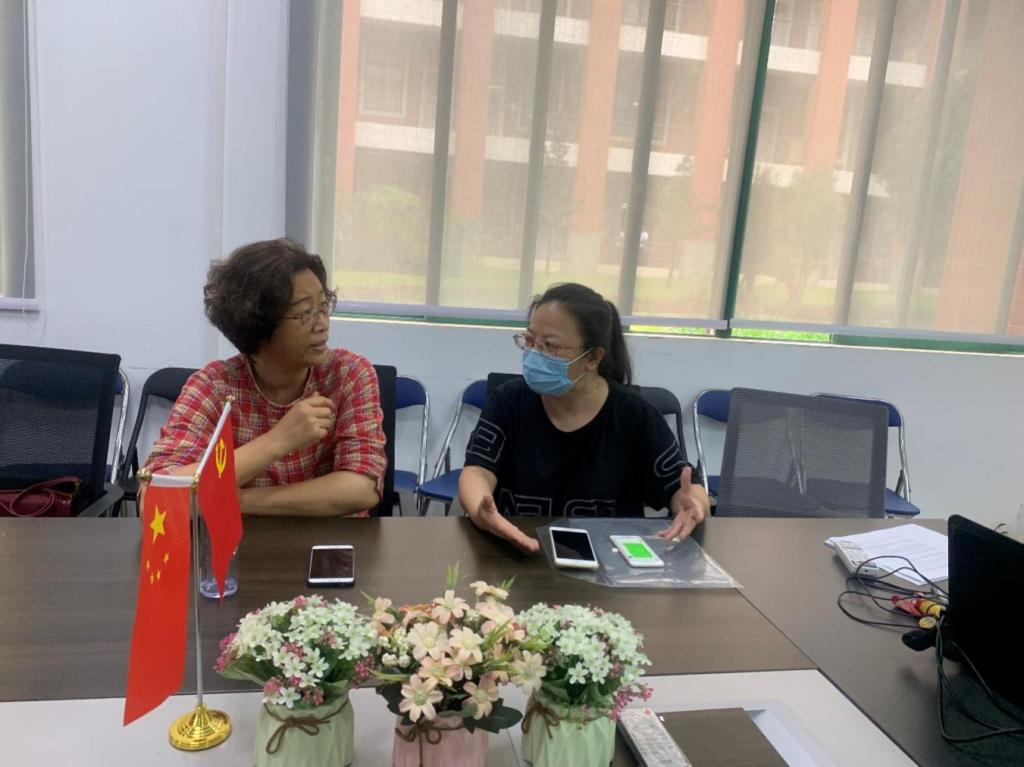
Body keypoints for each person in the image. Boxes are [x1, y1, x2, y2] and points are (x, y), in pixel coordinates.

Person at [458, 282, 710, 553]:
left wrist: (693, 505)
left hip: (609, 559)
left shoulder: (633, 415)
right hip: (518, 550)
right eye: (530, 341)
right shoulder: (508, 401)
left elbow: (685, 490)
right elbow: (477, 472)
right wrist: (481, 511)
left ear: (593, 358)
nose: (534, 354)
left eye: (550, 346)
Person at [145, 239, 386, 516]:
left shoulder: (348, 374)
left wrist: (236, 500)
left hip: (331, 540)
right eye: (305, 313)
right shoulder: (214, 387)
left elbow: (361, 488)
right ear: (257, 325)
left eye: (323, 306)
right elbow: (156, 498)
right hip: (243, 542)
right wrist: (278, 441)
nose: (322, 324)